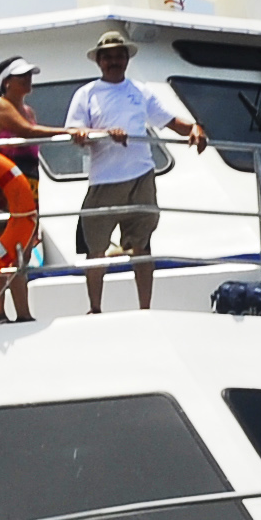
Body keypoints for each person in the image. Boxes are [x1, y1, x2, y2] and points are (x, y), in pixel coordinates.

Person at [64, 29, 207, 312]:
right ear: (99, 62)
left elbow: (170, 122)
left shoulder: (140, 92)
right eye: (108, 57)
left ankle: (145, 308)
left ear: (127, 59)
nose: (114, 61)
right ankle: (95, 308)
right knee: (96, 249)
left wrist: (195, 128)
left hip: (141, 176)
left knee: (142, 246)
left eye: (119, 56)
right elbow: (74, 131)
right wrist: (103, 133)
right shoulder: (86, 94)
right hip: (104, 179)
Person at [0, 56, 49, 324]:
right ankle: (1, 314)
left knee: (24, 251)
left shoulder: (30, 110)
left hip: (29, 186)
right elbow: (26, 132)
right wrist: (69, 131)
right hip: (2, 186)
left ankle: (22, 312)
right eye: (22, 75)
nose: (28, 79)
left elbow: (30, 130)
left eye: (29, 75)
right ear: (6, 82)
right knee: (2, 248)